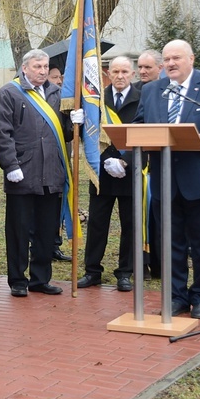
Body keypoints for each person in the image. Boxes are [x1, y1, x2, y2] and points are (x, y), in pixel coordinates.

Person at [133, 39, 200, 319]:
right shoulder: (152, 89)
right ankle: (177, 296)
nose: (170, 63)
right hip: (164, 180)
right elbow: (140, 124)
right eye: (167, 59)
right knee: (171, 243)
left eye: (176, 58)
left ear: (190, 59)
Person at [0, 49, 77, 297]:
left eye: (45, 67)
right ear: (25, 68)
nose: (42, 71)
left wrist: (75, 122)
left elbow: (65, 133)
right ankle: (18, 280)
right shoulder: (9, 92)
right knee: (18, 230)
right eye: (37, 67)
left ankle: (40, 279)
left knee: (46, 230)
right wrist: (10, 166)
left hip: (51, 173)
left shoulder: (56, 93)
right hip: (22, 172)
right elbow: (2, 132)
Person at [77, 56, 142, 292]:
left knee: (130, 225)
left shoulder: (142, 99)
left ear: (132, 74)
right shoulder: (97, 100)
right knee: (97, 223)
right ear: (108, 74)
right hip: (102, 170)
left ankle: (125, 273)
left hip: (130, 171)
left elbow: (146, 137)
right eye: (115, 71)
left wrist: (125, 161)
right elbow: (92, 134)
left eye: (125, 71)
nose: (120, 76)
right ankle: (92, 271)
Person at [134, 50, 164, 278]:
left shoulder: (169, 91)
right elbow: (138, 125)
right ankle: (144, 262)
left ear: (160, 68)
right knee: (145, 218)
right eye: (140, 67)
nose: (142, 71)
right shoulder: (140, 91)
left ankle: (162, 265)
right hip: (145, 163)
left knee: (163, 220)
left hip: (170, 164)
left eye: (148, 67)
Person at [45, 63, 73, 262]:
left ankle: (55, 244)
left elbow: (68, 132)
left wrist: (73, 120)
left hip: (59, 158)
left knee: (57, 204)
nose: (59, 81)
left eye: (60, 76)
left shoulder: (61, 97)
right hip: (39, 162)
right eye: (54, 77)